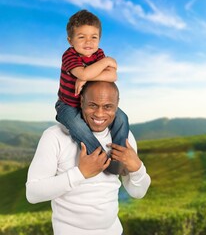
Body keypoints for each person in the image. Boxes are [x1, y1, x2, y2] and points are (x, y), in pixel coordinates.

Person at [26, 81, 151, 235]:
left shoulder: (124, 137)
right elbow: (32, 193)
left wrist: (137, 167)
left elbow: (137, 192)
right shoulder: (55, 136)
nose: (99, 114)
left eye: (107, 107)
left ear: (117, 106)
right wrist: (80, 173)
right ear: (81, 101)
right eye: (92, 105)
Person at [55, 9, 128, 174]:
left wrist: (88, 77)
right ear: (70, 40)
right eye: (81, 37)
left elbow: (113, 75)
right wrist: (104, 64)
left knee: (122, 118)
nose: (88, 42)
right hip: (68, 105)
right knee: (78, 127)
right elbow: (83, 73)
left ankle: (119, 156)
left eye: (93, 37)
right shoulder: (70, 55)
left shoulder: (99, 54)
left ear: (99, 39)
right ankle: (103, 159)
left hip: (91, 105)